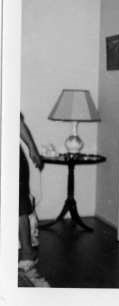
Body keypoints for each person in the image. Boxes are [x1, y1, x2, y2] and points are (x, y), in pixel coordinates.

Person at [19, 113, 49, 286]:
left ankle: (27, 253)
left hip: (10, 154)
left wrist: (33, 149)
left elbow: (18, 124)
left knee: (18, 203)